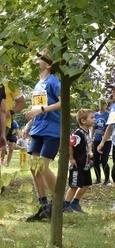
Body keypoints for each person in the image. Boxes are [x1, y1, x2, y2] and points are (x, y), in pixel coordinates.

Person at [24, 52, 59, 222]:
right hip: (37, 129)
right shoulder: (39, 84)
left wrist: (42, 110)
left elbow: (63, 102)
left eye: (41, 59)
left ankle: (58, 203)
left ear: (48, 65)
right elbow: (36, 108)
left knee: (43, 166)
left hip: (51, 130)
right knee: (33, 167)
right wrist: (29, 125)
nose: (37, 61)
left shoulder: (54, 81)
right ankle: (44, 206)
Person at [64, 109, 95, 213]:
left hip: (85, 164)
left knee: (86, 184)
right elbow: (70, 145)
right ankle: (66, 204)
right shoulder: (78, 133)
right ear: (83, 120)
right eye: (92, 118)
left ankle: (75, 202)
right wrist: (71, 158)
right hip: (77, 164)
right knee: (74, 185)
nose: (94, 119)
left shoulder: (87, 132)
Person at [92, 101, 112, 185]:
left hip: (107, 140)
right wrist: (91, 137)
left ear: (106, 105)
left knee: (104, 160)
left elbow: (110, 128)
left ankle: (107, 179)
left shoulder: (109, 114)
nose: (102, 106)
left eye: (103, 104)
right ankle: (98, 179)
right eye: (100, 104)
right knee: (95, 160)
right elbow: (93, 127)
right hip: (97, 139)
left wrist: (105, 137)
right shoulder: (95, 115)